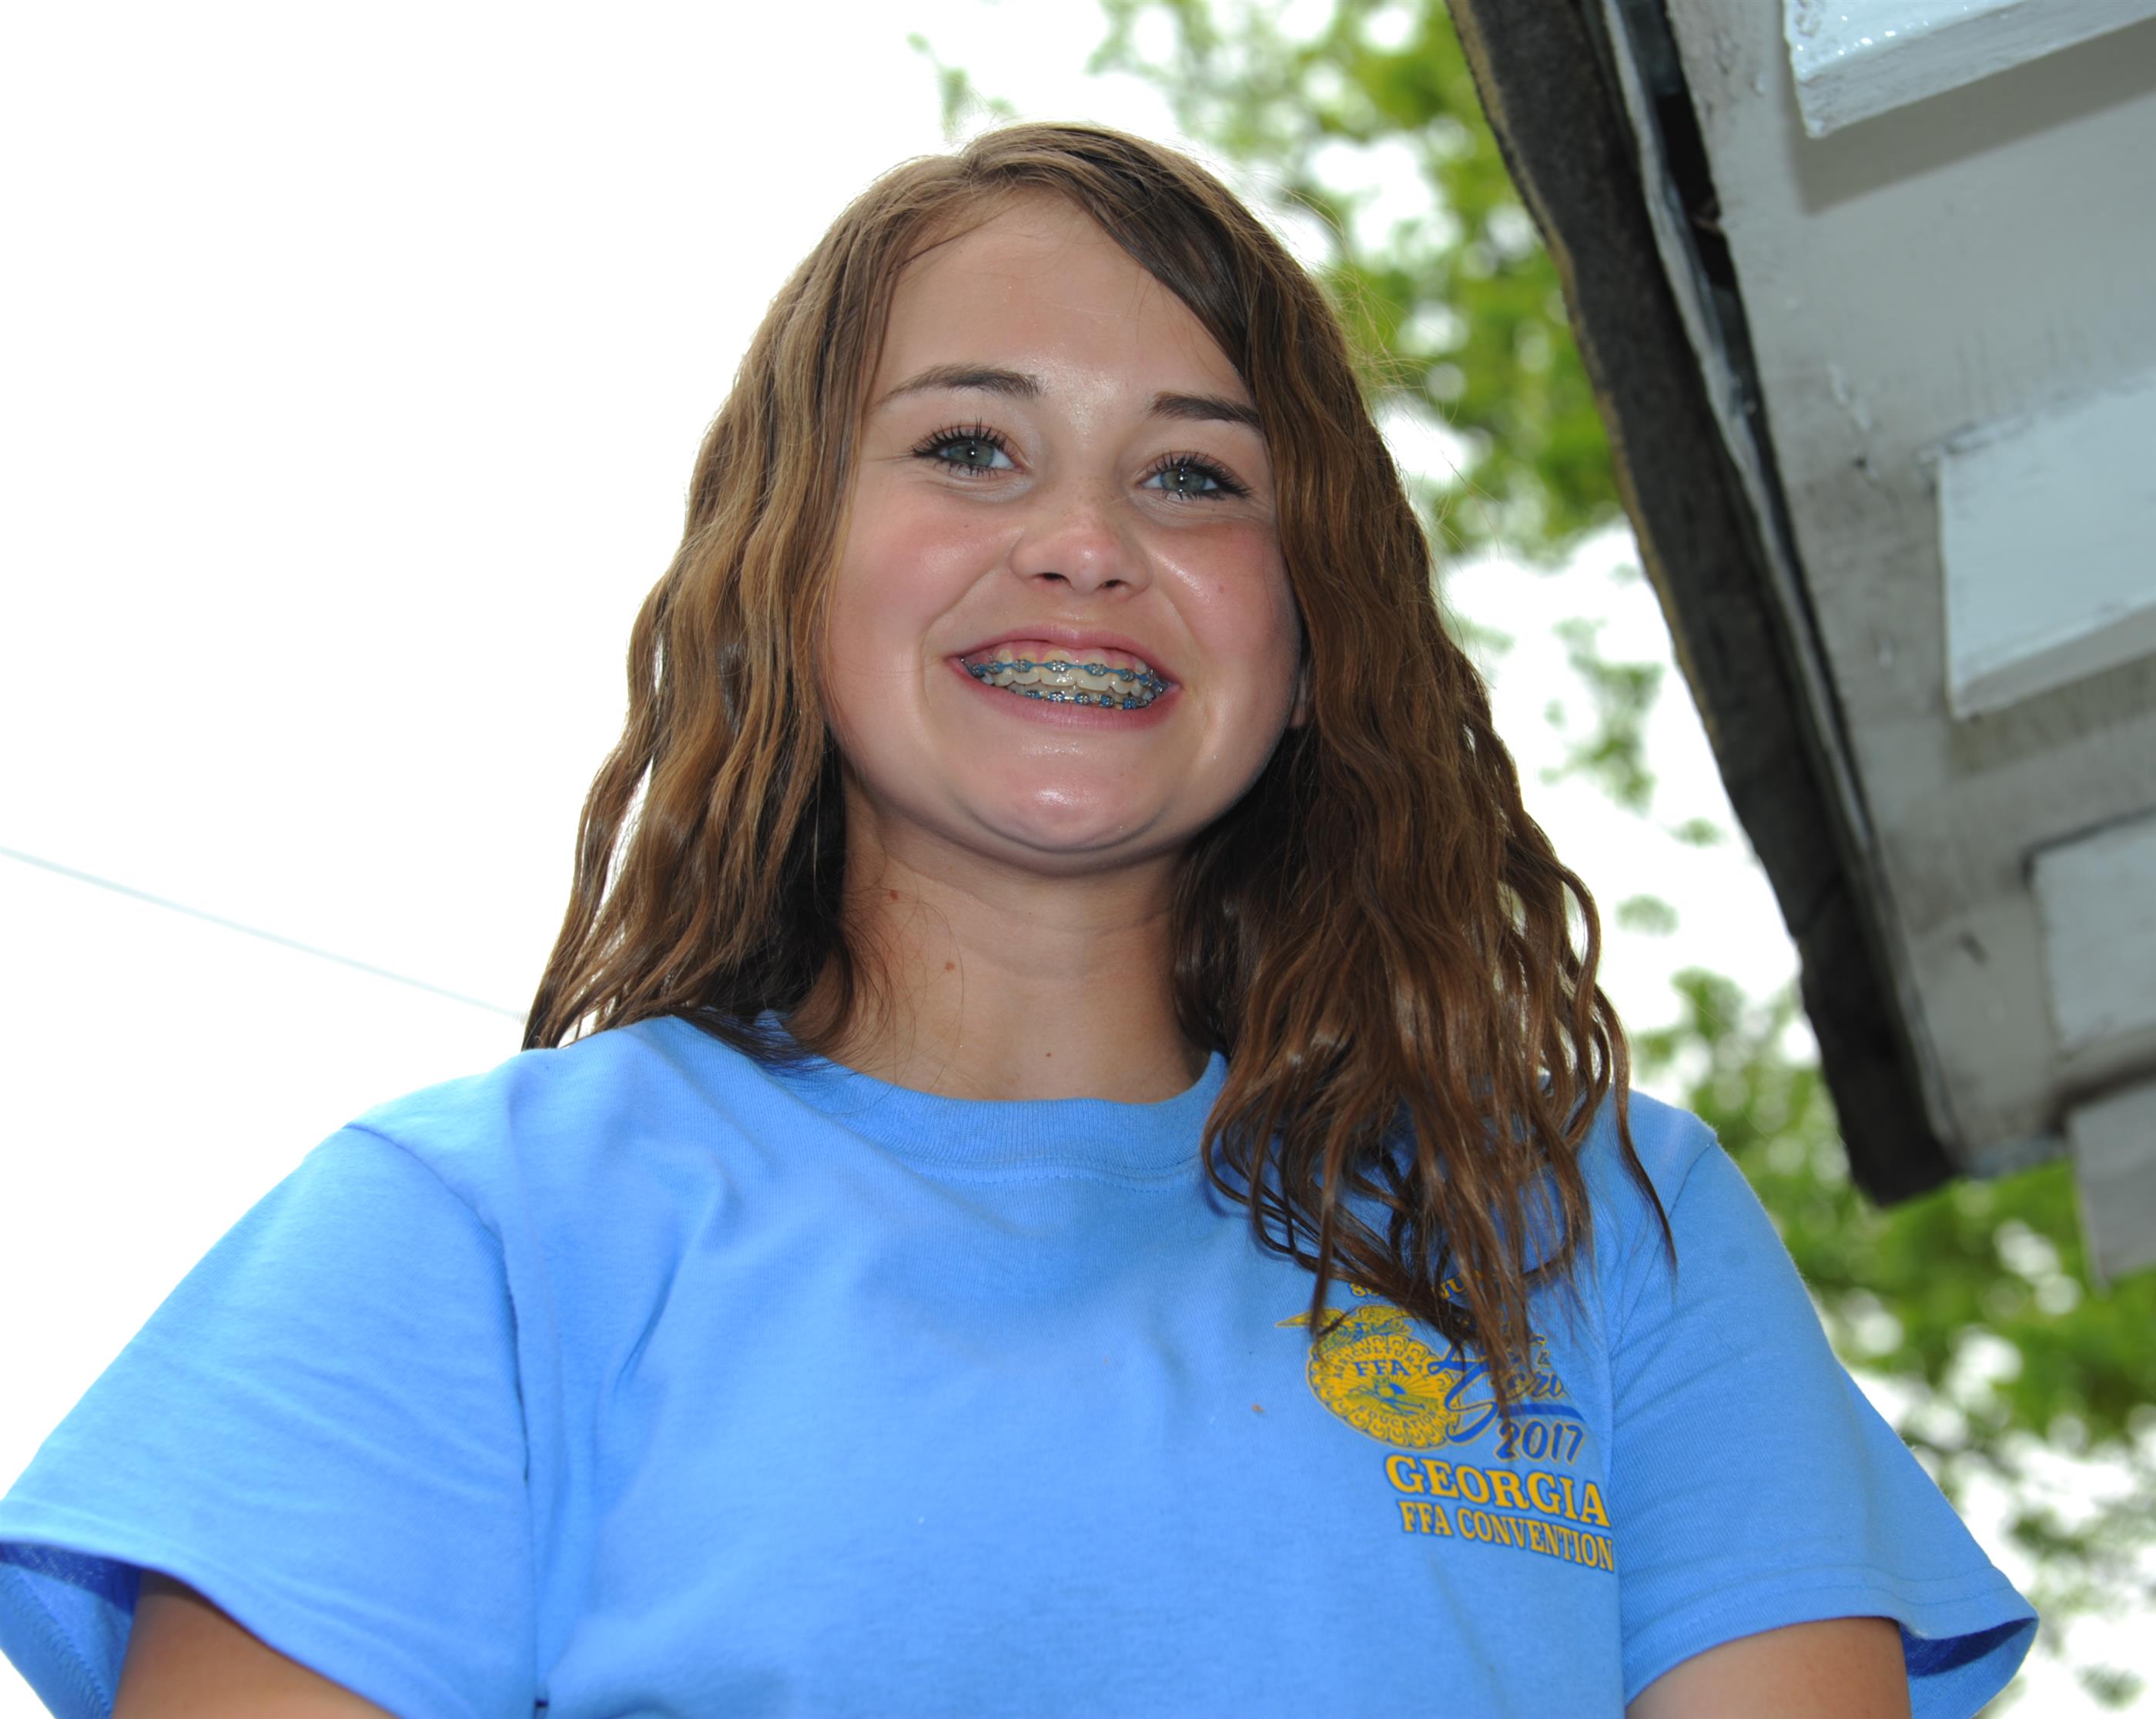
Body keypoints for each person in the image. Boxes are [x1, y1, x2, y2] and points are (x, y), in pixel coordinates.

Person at [0, 122, 2033, 1717]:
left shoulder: (1598, 1235)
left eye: (1199, 479)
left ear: (1314, 634)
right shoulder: (466, 1237)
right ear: (786, 566)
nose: (1081, 544)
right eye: (970, 448)